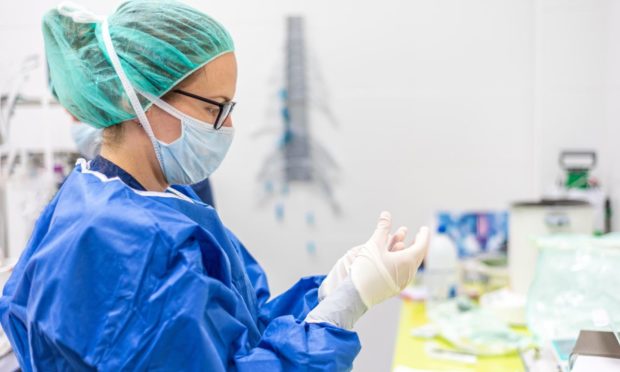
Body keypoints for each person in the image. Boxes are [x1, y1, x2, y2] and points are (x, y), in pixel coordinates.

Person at [0, 1, 430, 370]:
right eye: (216, 108)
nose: (227, 126)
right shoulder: (130, 241)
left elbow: (238, 328)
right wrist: (342, 311)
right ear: (144, 97)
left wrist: (328, 293)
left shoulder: (156, 200)